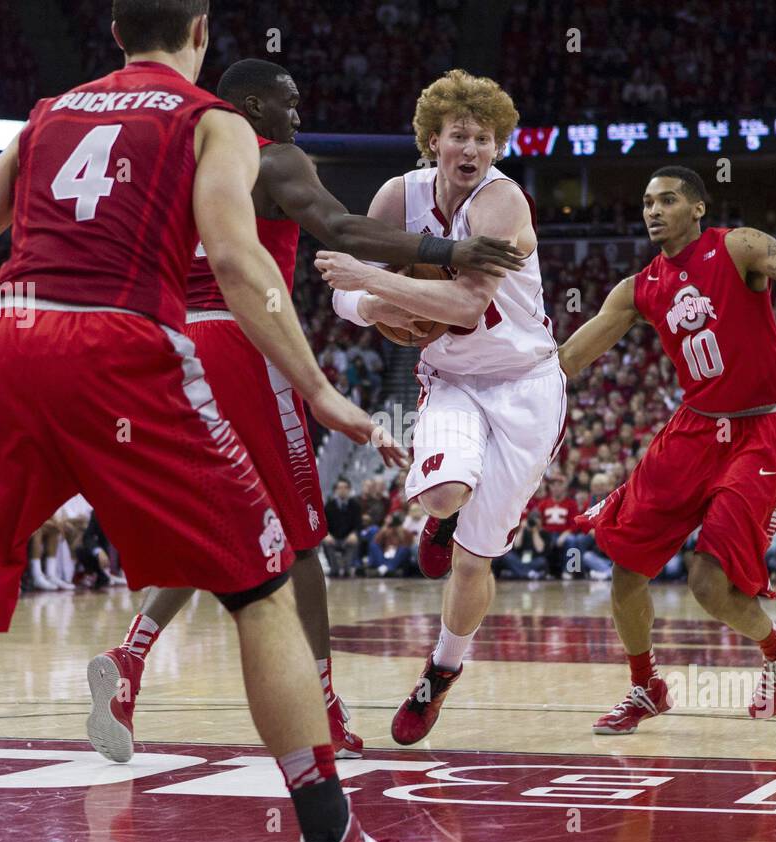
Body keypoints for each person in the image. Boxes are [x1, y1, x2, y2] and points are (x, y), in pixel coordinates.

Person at [0, 0, 438, 842]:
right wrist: (316, 388)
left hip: (6, 345)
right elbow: (241, 266)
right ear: (200, 33)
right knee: (261, 587)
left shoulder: (46, 118)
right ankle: (330, 838)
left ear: (116, 35)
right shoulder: (215, 123)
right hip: (117, 349)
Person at [93, 58, 524, 761]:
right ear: (253, 105)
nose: (297, 117)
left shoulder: (178, 158)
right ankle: (323, 705)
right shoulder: (273, 157)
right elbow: (340, 228)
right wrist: (448, 248)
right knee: (301, 543)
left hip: (167, 345)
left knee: (222, 526)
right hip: (242, 341)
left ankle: (129, 661)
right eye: (288, 104)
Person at [559, 165, 776, 733]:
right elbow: (570, 360)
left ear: (697, 208)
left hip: (761, 427)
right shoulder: (637, 288)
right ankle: (645, 686)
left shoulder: (739, 246)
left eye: (667, 200)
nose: (653, 210)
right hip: (694, 428)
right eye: (647, 201)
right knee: (626, 570)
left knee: (708, 585)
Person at [317, 69, 567, 746]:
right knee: (442, 494)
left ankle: (441, 671)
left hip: (525, 384)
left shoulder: (502, 202)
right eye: (460, 135)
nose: (473, 148)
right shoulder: (399, 194)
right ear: (433, 140)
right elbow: (340, 286)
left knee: (474, 560)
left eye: (484, 138)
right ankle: (443, 516)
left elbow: (464, 303)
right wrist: (372, 302)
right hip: (454, 377)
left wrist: (372, 283)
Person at [322, 478, 363, 578]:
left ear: (349, 489)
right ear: (335, 490)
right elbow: (323, 524)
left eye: (345, 488)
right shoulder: (329, 506)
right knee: (326, 542)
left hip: (348, 538)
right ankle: (334, 569)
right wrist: (327, 534)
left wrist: (354, 533)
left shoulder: (355, 505)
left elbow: (358, 524)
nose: (342, 490)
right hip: (333, 538)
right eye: (340, 488)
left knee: (354, 542)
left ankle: (347, 569)